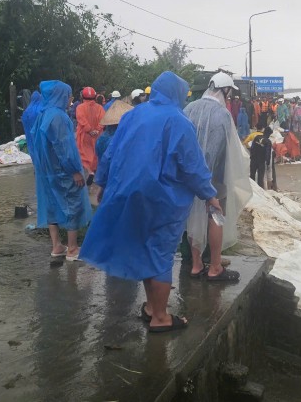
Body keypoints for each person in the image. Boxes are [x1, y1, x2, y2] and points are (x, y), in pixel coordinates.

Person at [81, 72, 221, 333]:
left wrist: (103, 183)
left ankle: (150, 307)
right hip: (161, 198)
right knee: (160, 253)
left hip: (127, 192)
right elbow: (192, 166)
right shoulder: (179, 121)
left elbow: (111, 153)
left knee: (146, 249)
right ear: (178, 94)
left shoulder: (133, 115)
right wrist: (209, 194)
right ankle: (160, 317)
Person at [182, 72, 253, 281]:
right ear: (225, 90)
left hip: (189, 176)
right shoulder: (222, 114)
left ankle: (195, 266)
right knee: (216, 217)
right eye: (229, 93)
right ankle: (214, 267)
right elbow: (223, 151)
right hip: (214, 178)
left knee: (192, 217)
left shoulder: (188, 109)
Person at [32, 80, 93, 261]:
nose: (70, 99)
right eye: (68, 95)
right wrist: (75, 170)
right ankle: (72, 249)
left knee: (51, 204)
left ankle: (57, 245)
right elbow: (64, 147)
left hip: (46, 169)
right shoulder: (59, 117)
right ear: (60, 96)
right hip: (61, 170)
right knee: (72, 203)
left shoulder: (42, 114)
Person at [75, 86, 105, 180]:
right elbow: (103, 120)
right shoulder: (100, 107)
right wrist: (97, 129)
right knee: (95, 153)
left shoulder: (80, 107)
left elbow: (81, 120)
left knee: (84, 153)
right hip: (97, 134)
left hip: (85, 135)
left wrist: (89, 130)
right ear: (95, 96)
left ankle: (89, 171)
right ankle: (95, 172)